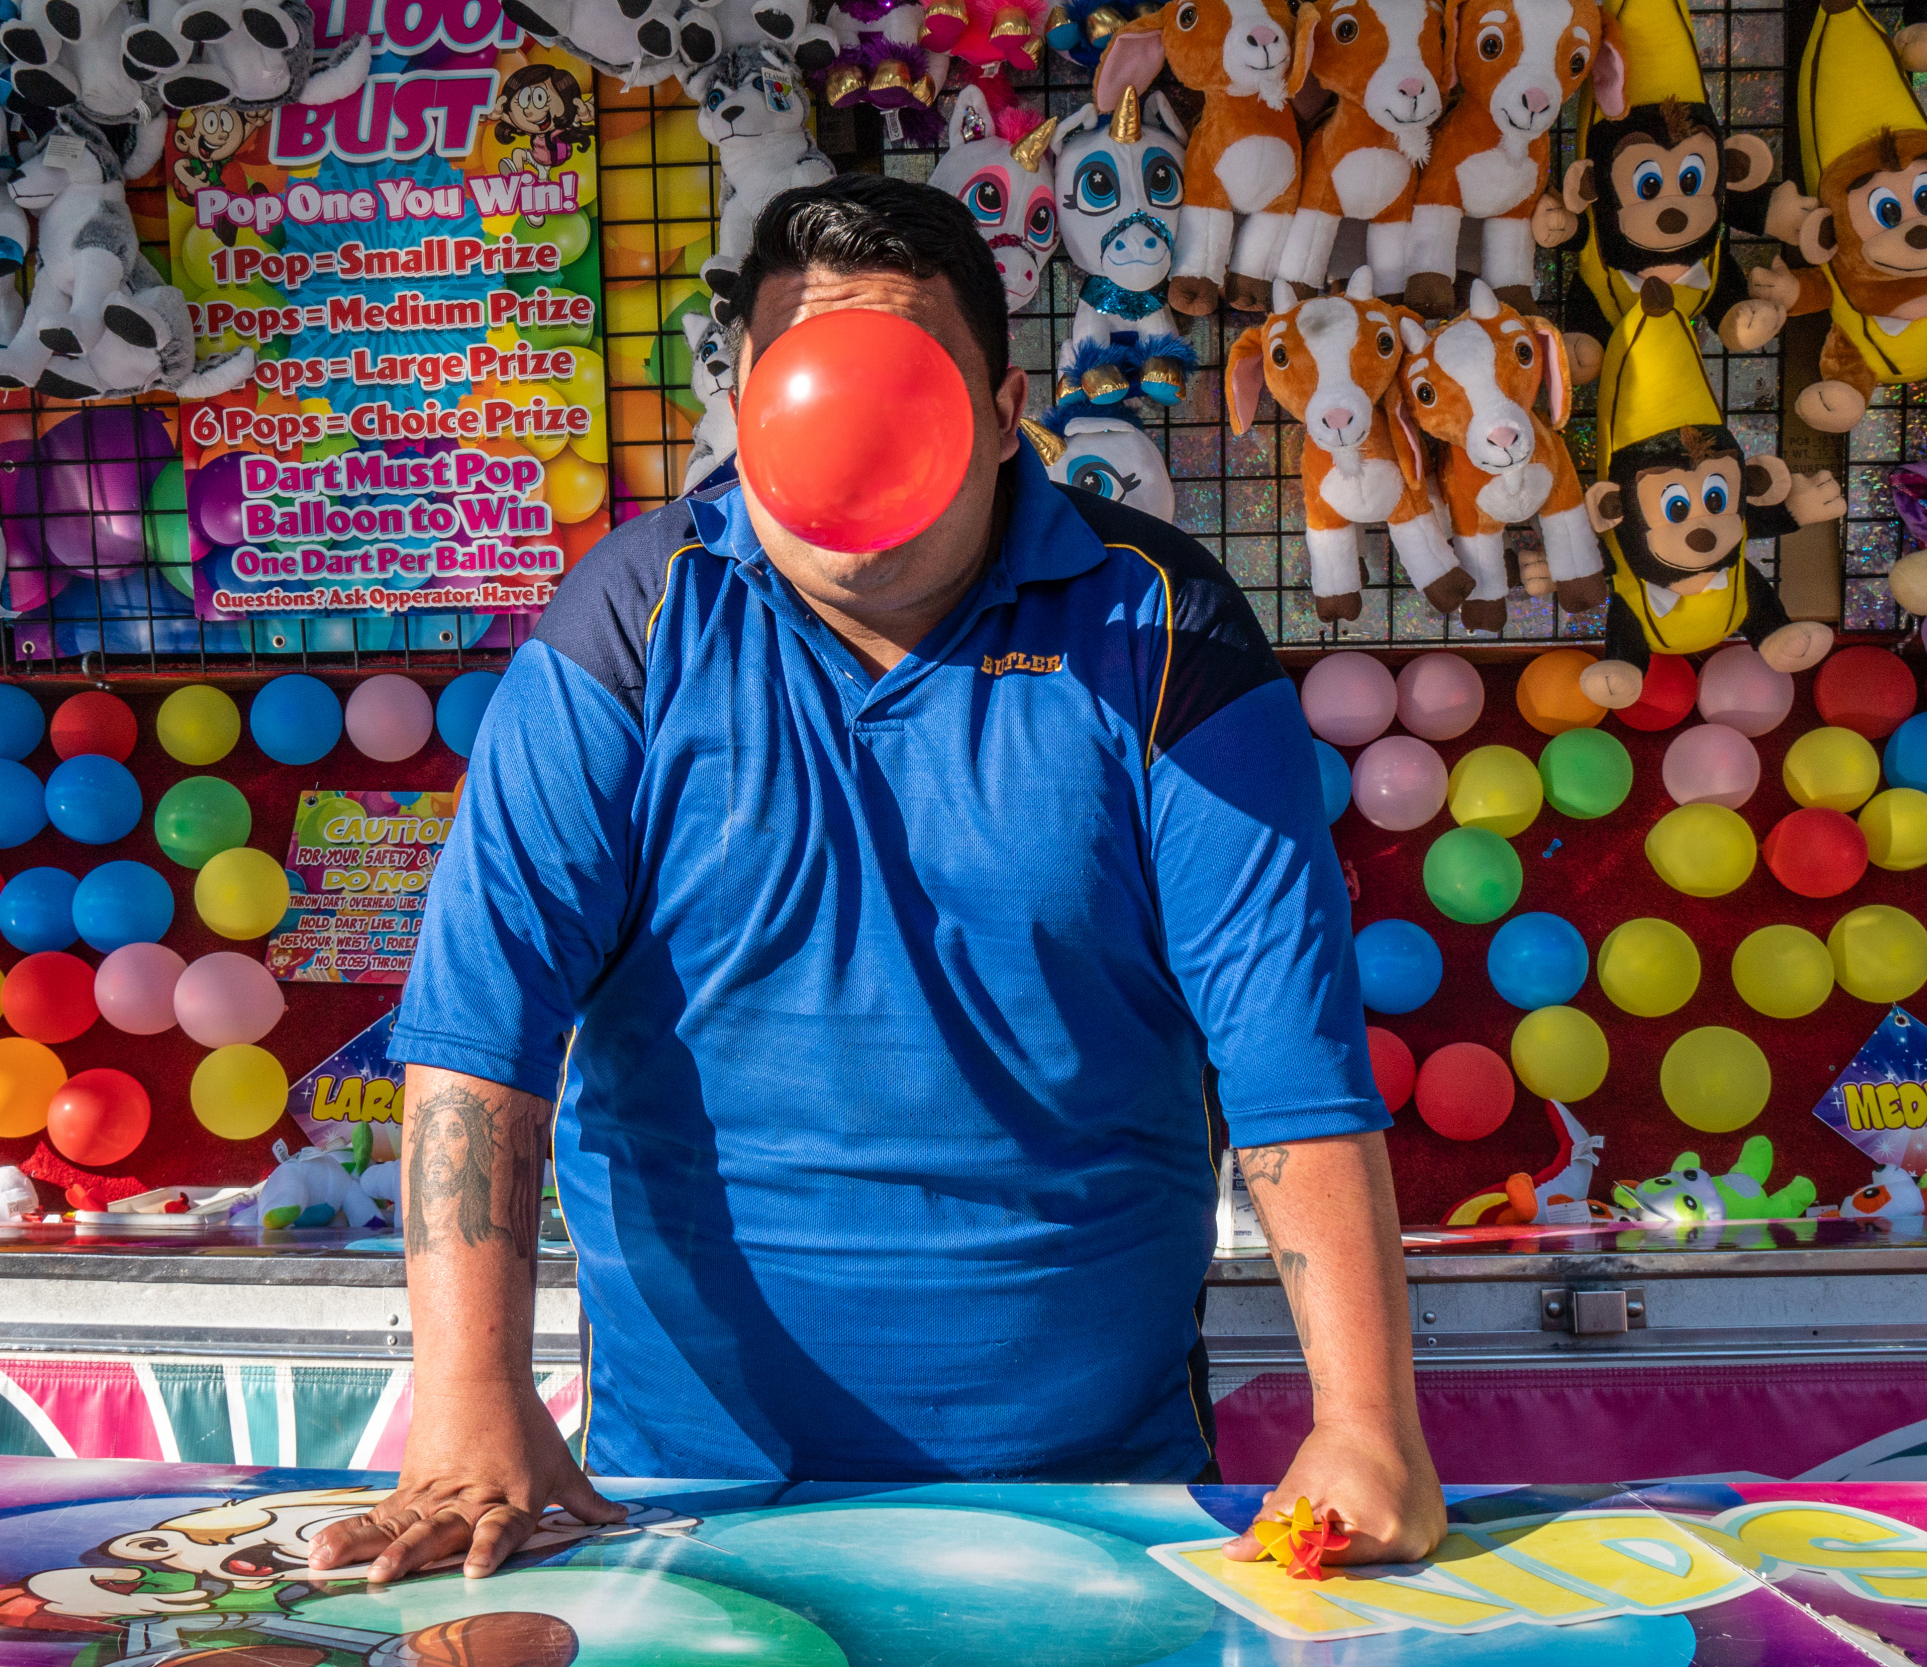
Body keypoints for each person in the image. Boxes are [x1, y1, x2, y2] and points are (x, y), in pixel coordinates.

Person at [312, 174, 1445, 1585]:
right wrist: (468, 1402)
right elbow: (483, 1025)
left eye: (902, 381)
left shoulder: (1160, 626)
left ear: (1006, 407)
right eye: (807, 384)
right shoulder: (631, 620)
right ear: (745, 406)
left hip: (1095, 1496)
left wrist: (1368, 1421)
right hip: (687, 1496)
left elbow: (1289, 1054)